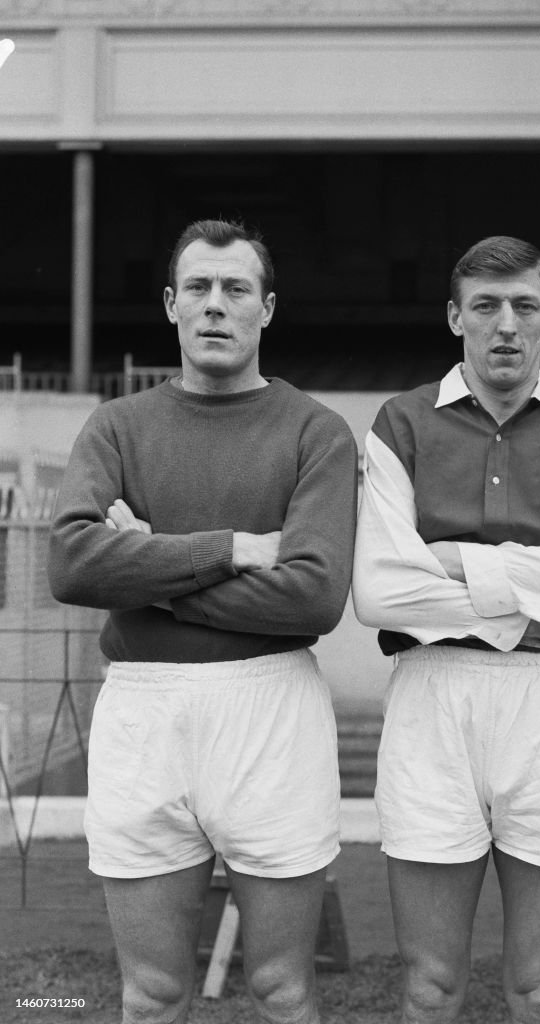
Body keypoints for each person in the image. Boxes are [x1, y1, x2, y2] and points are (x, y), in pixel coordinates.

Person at [48, 219, 358, 1024]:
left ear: (267, 308)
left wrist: (151, 564)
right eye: (199, 287)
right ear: (171, 304)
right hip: (146, 705)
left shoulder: (315, 431)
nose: (216, 305)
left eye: (236, 289)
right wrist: (232, 549)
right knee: (151, 992)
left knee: (282, 988)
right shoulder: (116, 427)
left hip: (272, 706)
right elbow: (75, 565)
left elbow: (314, 598)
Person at [352, 235, 540, 1023]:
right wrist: (535, 583)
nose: (505, 325)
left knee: (539, 989)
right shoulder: (400, 421)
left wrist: (448, 563)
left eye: (524, 307)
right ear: (454, 317)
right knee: (429, 986)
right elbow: (378, 592)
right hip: (432, 697)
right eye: (485, 306)